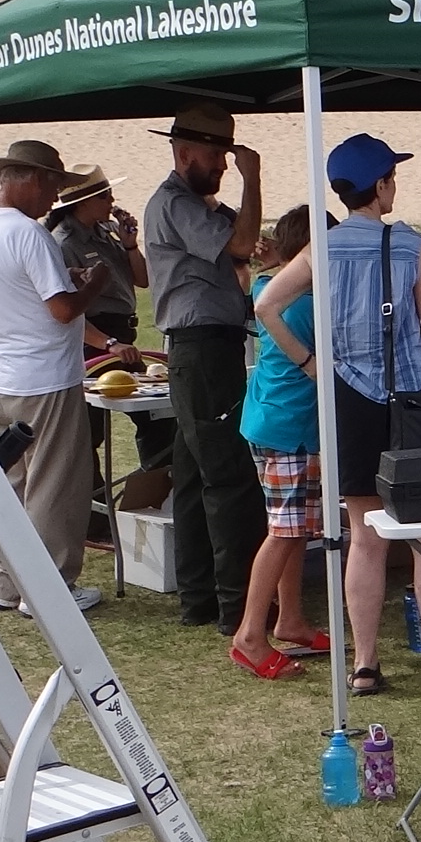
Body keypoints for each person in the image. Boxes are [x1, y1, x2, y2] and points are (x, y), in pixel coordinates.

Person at [254, 133, 421, 696]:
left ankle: (366, 664)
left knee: (364, 536)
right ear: (382, 184)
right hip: (414, 397)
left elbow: (266, 303)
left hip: (350, 396)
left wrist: (311, 364)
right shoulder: (409, 244)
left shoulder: (321, 247)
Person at [0, 139, 105, 614]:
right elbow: (61, 310)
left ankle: (8, 583)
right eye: (54, 187)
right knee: (55, 485)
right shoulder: (27, 233)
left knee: (12, 488)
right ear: (33, 179)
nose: (55, 200)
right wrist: (93, 285)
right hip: (44, 377)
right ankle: (51, 586)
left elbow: (20, 293)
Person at [142, 103, 266, 634]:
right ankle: (236, 606)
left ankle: (199, 598)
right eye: (216, 156)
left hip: (201, 345)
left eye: (227, 156)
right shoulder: (174, 203)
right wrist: (253, 180)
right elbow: (241, 245)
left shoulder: (193, 204)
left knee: (194, 475)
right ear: (184, 153)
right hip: (203, 345)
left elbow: (241, 246)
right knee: (228, 475)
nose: (223, 165)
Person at [230, 206, 328, 679]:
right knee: (285, 531)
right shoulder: (307, 303)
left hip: (272, 420)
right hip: (288, 426)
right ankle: (250, 634)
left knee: (293, 527)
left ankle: (290, 619)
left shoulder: (268, 286)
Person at [47, 163, 173, 477]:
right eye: (104, 196)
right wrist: (109, 344)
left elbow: (143, 279)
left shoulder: (106, 233)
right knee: (88, 430)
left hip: (121, 336)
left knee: (157, 414)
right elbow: (66, 311)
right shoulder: (64, 243)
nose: (111, 200)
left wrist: (130, 244)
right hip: (95, 339)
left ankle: (157, 483)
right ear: (83, 202)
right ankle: (95, 514)